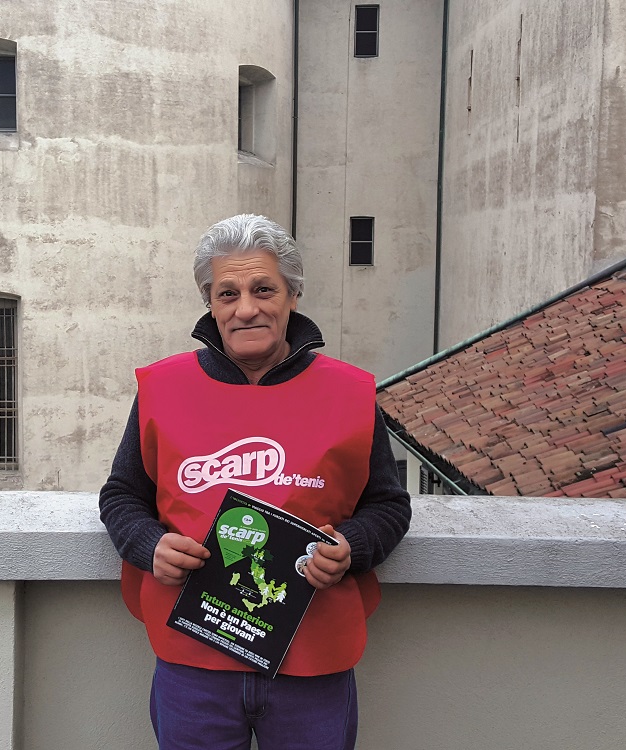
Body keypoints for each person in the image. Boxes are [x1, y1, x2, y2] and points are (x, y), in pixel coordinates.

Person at [99, 214, 411, 750]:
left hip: (313, 659)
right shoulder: (162, 388)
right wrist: (148, 544)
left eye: (263, 289)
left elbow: (388, 504)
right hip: (192, 658)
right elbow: (122, 495)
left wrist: (353, 546)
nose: (246, 308)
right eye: (228, 293)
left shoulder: (351, 393)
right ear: (211, 303)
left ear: (292, 296)